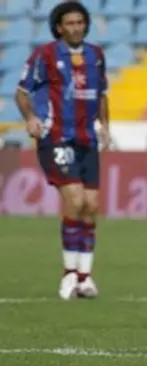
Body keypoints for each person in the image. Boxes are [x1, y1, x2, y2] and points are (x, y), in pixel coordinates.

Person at [15, 1, 109, 300]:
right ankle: (68, 274)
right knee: (75, 198)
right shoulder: (44, 55)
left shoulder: (96, 55)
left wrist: (105, 125)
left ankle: (85, 277)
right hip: (55, 137)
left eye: (80, 22)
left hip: (87, 140)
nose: (75, 27)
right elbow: (21, 92)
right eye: (69, 23)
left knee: (91, 205)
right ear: (59, 27)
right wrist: (30, 118)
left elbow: (103, 94)